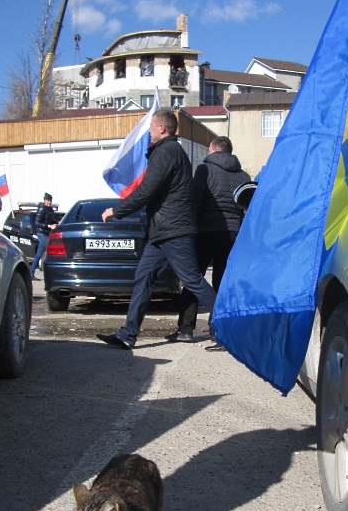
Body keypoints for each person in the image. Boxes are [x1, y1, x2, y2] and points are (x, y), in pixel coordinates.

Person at [97, 110, 216, 350]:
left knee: (192, 280)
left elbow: (146, 191)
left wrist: (117, 210)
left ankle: (232, 326)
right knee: (144, 277)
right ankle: (128, 334)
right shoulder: (169, 151)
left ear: (162, 128)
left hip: (174, 230)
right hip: (162, 231)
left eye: (151, 126)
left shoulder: (167, 152)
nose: (149, 131)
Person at [167, 136, 250, 350]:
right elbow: (245, 209)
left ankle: (186, 329)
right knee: (222, 283)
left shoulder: (205, 170)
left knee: (194, 279)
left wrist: (188, 228)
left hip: (204, 231)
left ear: (213, 149)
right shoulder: (243, 176)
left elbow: (194, 201)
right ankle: (218, 332)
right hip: (231, 234)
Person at [30, 193, 57, 278]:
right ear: (44, 200)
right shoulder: (42, 209)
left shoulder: (50, 209)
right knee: (50, 251)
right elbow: (37, 223)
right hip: (42, 233)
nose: (49, 202)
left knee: (39, 254)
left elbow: (51, 221)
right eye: (47, 200)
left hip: (47, 233)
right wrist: (49, 226)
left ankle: (31, 272)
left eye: (50, 200)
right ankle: (52, 273)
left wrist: (56, 223)